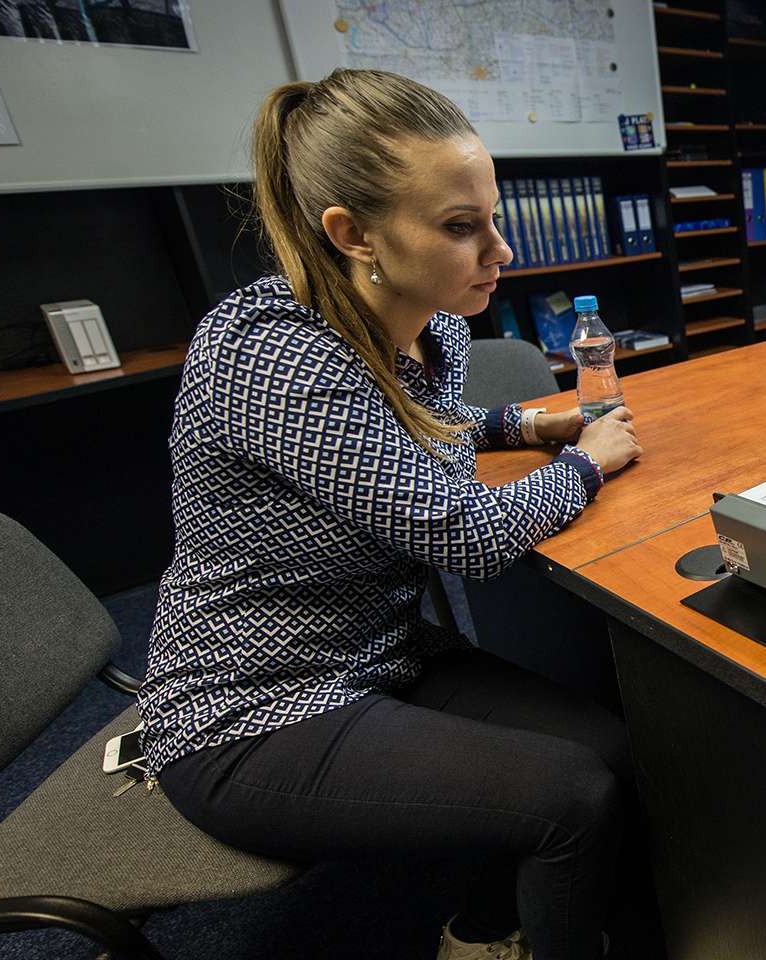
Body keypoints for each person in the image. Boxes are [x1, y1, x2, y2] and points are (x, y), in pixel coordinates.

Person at [135, 69, 643, 960]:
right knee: (572, 794)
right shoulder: (276, 356)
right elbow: (464, 533)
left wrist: (523, 425)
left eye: (493, 217)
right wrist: (584, 463)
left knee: (611, 746)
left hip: (379, 651)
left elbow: (403, 434)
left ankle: (487, 926)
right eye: (461, 227)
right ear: (352, 233)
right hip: (252, 709)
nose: (500, 250)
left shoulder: (429, 327)